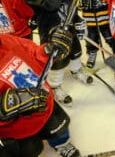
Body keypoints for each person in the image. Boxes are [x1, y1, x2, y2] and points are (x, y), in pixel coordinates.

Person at [16, 0, 93, 106]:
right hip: (51, 32)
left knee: (76, 51)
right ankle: (55, 85)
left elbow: (69, 5)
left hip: (68, 27)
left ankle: (76, 69)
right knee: (57, 61)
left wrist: (78, 21)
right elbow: (51, 4)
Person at [0, 27, 81, 157]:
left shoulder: (5, 40)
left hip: (45, 102)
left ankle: (62, 143)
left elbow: (32, 51)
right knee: (31, 149)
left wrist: (49, 50)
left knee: (58, 128)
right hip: (17, 127)